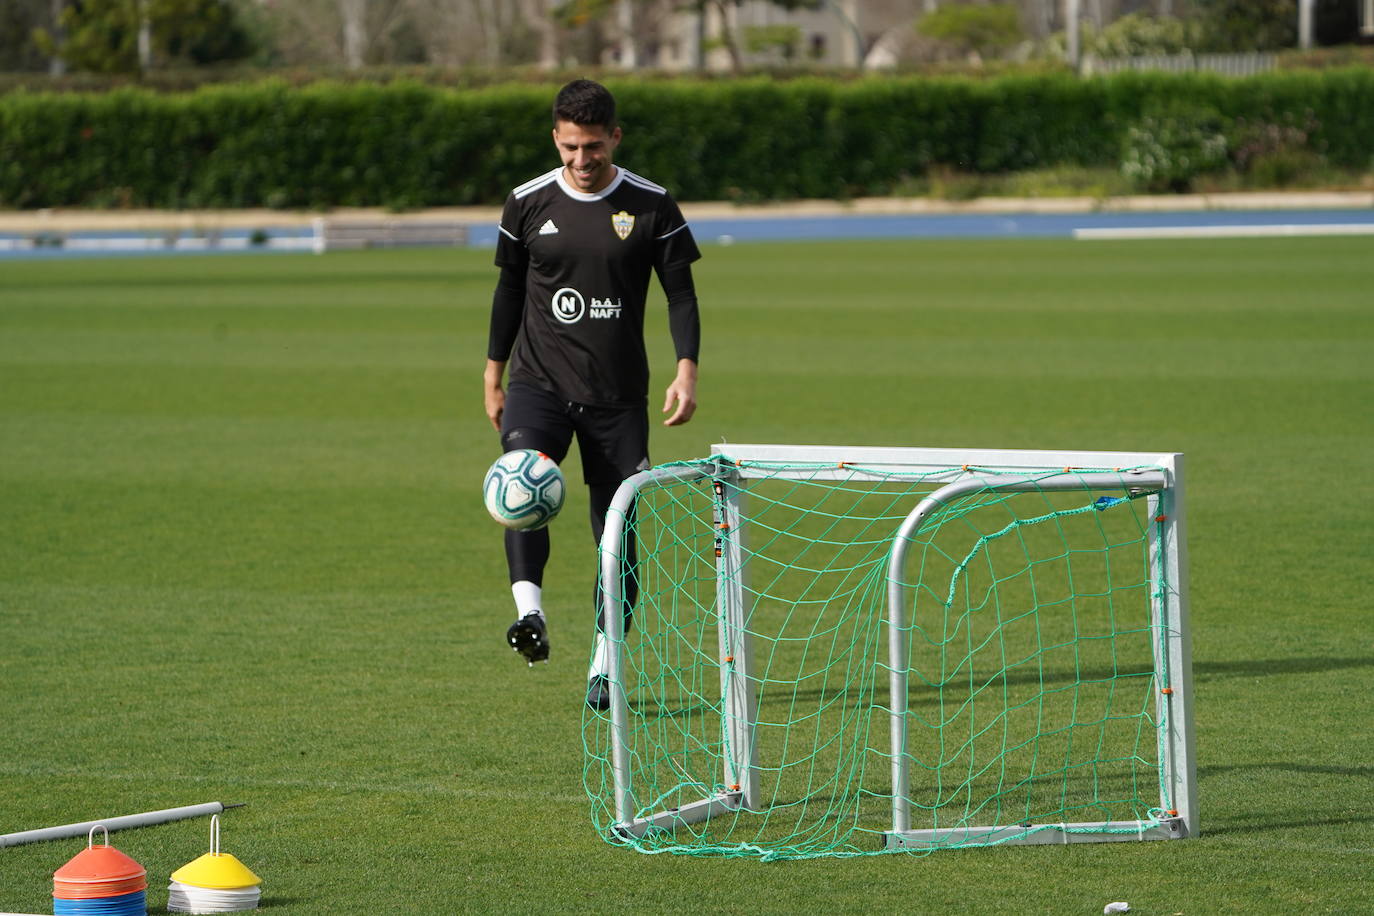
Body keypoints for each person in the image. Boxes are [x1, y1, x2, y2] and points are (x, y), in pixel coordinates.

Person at [484, 79, 702, 709]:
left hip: (617, 396)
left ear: (615, 138)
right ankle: (531, 616)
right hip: (537, 383)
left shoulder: (652, 205)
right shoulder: (525, 203)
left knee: (618, 527)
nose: (583, 161)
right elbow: (507, 294)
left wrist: (685, 369)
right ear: (556, 138)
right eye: (571, 147)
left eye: (595, 148)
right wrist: (493, 373)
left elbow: (681, 294)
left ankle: (606, 663)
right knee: (522, 485)